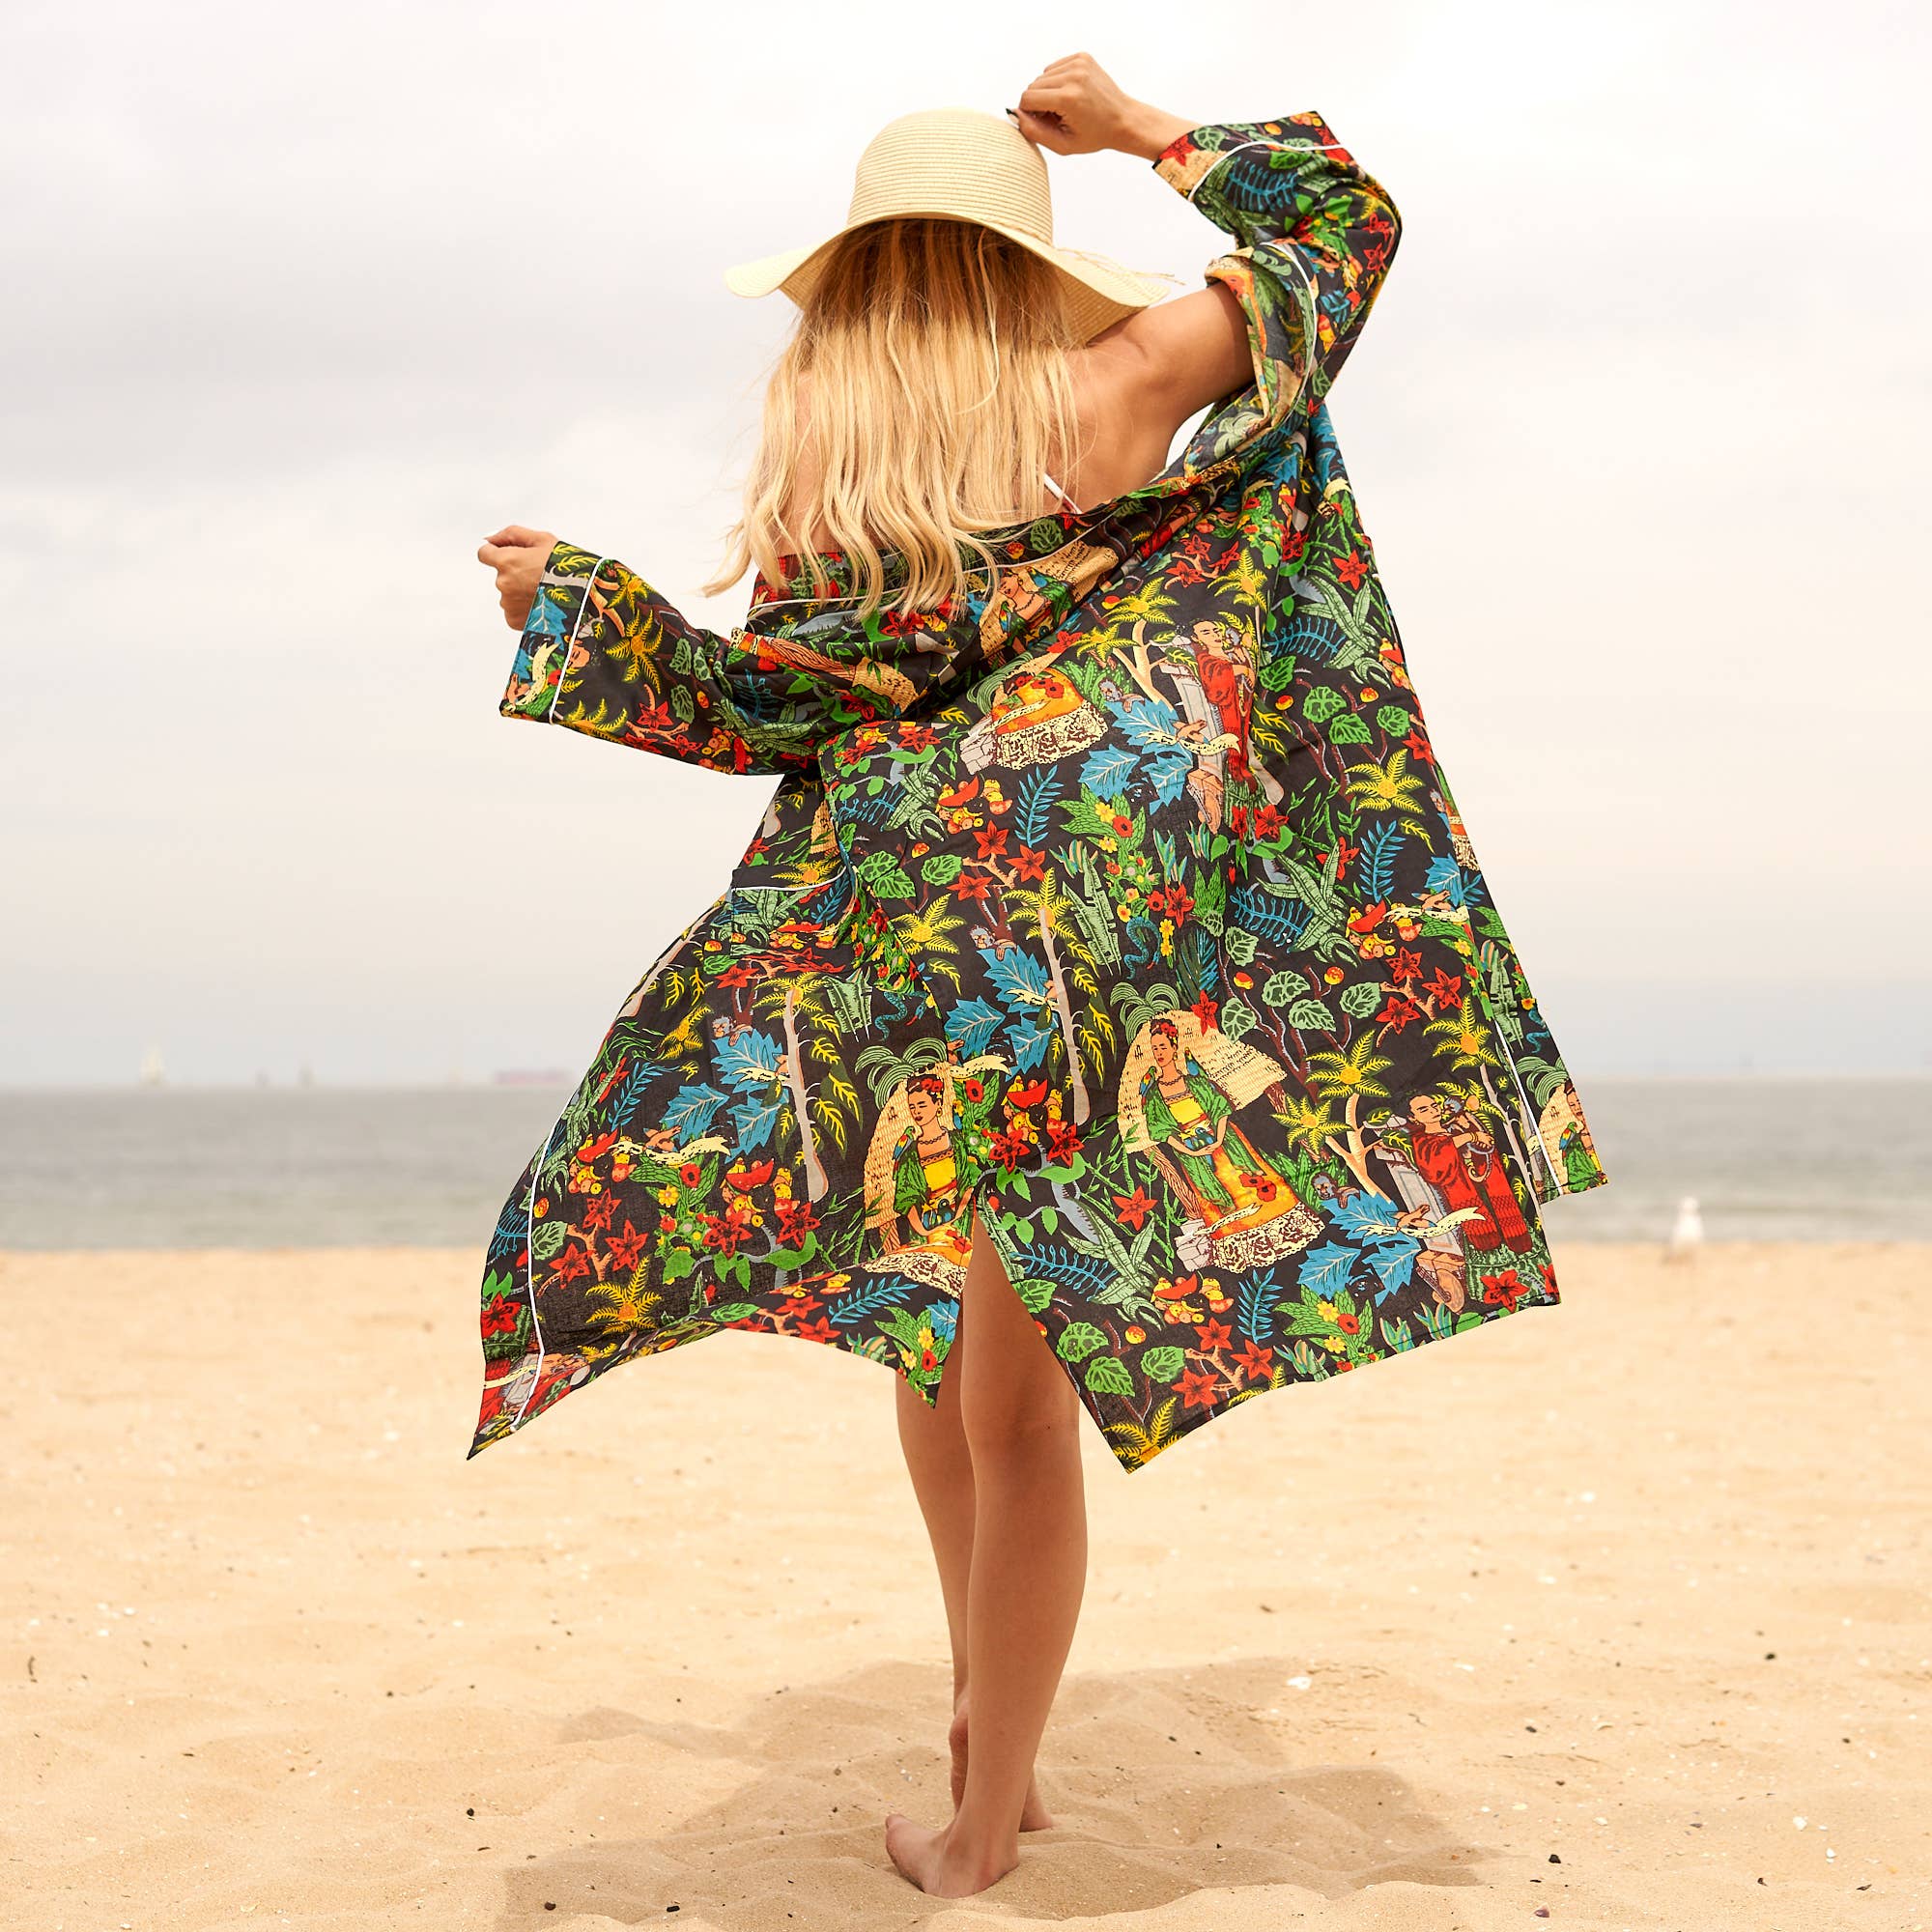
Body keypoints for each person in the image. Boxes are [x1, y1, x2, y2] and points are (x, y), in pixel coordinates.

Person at [474, 51, 1606, 1899]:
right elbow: (1347, 225)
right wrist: (1150, 129)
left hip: (912, 959)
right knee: (1019, 1402)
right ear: (1021, 259)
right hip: (1098, 950)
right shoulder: (1125, 380)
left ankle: (987, 1787)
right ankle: (993, 1768)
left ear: (856, 278)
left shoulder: (836, 467)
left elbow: (763, 713)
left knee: (944, 1371)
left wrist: (587, 616)